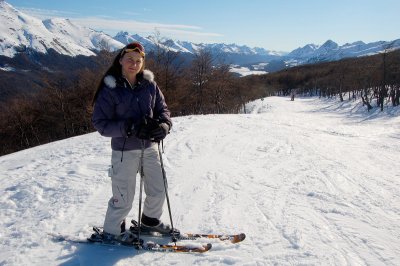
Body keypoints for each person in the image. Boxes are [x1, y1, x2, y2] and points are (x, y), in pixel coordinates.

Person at [91, 42, 174, 243]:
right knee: (123, 197)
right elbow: (100, 123)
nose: (134, 64)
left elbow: (163, 110)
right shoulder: (110, 88)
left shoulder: (150, 85)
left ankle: (149, 222)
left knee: (158, 189)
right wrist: (128, 128)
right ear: (120, 60)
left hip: (150, 148)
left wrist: (164, 126)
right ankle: (113, 232)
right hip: (124, 151)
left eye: (138, 61)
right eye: (129, 59)